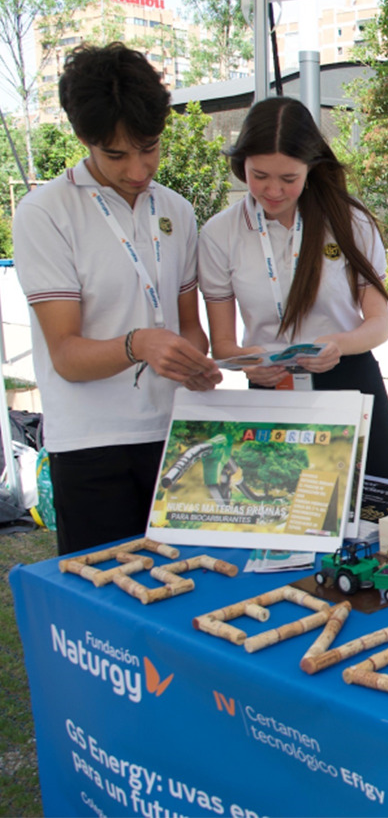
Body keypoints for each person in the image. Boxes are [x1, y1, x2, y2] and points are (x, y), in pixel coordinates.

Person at [13, 42, 221, 555]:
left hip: (177, 435)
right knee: (107, 604)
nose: (137, 169)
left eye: (149, 147)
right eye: (116, 154)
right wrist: (140, 344)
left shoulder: (176, 209)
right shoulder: (45, 213)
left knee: (190, 589)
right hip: (91, 445)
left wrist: (193, 362)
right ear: (83, 138)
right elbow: (66, 356)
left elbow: (188, 324)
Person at [199, 96, 388, 484]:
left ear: (311, 169)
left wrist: (340, 345)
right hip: (270, 385)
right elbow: (223, 346)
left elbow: (379, 324)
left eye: (289, 178)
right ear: (240, 164)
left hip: (348, 379)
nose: (273, 190)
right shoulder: (219, 234)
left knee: (383, 513)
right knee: (279, 513)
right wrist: (250, 363)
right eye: (259, 175)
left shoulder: (349, 221)